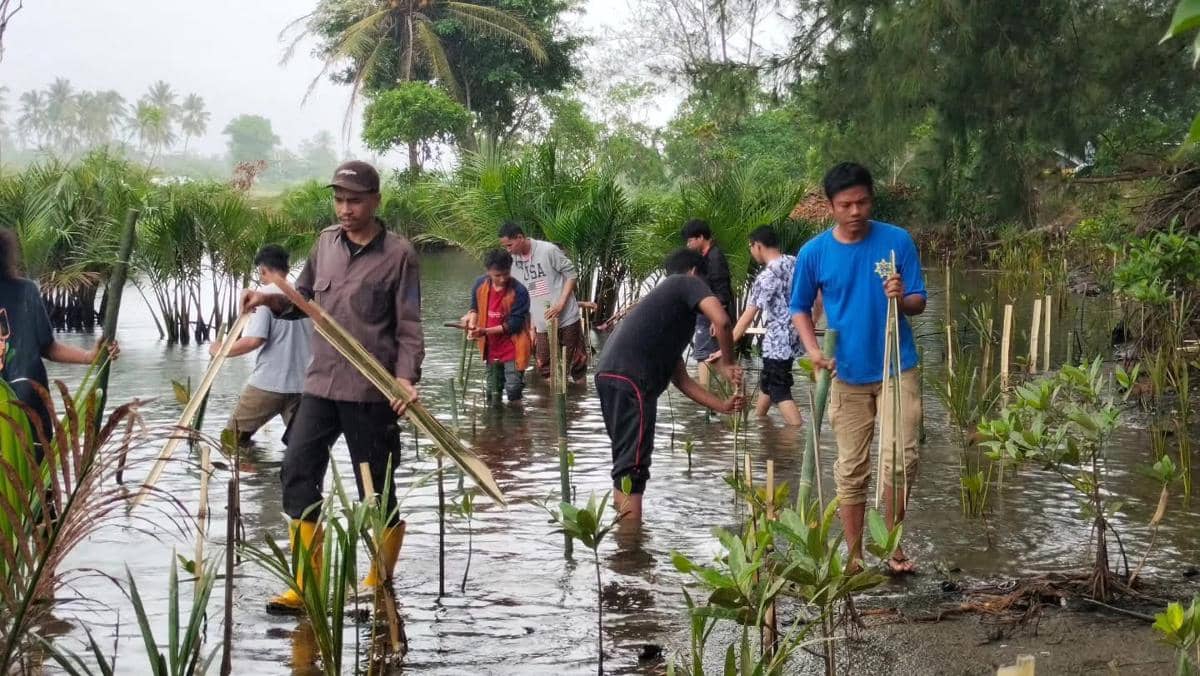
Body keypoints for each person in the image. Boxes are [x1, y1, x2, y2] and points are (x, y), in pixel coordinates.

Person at [241, 161, 423, 614]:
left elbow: (409, 325)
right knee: (296, 470)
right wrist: (268, 299)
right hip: (320, 382)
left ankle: (378, 582)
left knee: (376, 488)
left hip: (372, 389)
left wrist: (405, 379)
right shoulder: (325, 243)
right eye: (339, 200)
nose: (345, 209)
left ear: (375, 200)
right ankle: (306, 586)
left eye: (354, 201)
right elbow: (302, 301)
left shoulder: (399, 254)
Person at [789, 162, 926, 574]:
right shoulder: (814, 252)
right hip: (844, 371)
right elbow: (799, 308)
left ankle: (893, 548)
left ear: (872, 199)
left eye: (862, 202)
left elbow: (918, 302)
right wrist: (814, 350)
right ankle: (853, 557)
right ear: (830, 206)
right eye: (846, 204)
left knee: (900, 460)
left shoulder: (896, 241)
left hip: (896, 365)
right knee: (850, 467)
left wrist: (900, 296)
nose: (855, 211)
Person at [594, 248, 745, 525]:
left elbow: (682, 380)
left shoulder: (664, 314)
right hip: (631, 379)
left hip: (610, 375)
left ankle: (625, 534)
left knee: (626, 461)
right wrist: (728, 364)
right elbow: (723, 322)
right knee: (633, 468)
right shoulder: (686, 282)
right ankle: (630, 540)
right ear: (695, 272)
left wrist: (722, 406)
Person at [0, 228, 119, 454]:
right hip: (31, 414)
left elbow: (48, 347)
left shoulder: (26, 292)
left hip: (30, 416)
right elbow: (49, 348)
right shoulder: (26, 291)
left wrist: (91, 357)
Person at [211, 244, 312, 445]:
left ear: (263, 270)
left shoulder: (263, 296)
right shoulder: (303, 296)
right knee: (302, 447)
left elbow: (255, 340)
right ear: (287, 268)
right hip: (303, 386)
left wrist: (221, 350)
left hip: (268, 384)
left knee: (231, 441)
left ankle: (252, 465)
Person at [727, 226, 806, 426]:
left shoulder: (766, 276)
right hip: (795, 334)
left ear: (758, 246)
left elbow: (748, 315)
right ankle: (759, 422)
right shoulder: (794, 262)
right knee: (768, 382)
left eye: (751, 247)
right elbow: (817, 296)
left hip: (778, 341)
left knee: (779, 390)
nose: (751, 252)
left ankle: (797, 431)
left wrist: (726, 345)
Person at [497, 222, 586, 382]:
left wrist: (560, 304)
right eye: (505, 247)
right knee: (544, 364)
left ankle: (576, 394)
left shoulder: (548, 250)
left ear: (520, 237)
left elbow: (571, 275)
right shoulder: (512, 262)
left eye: (510, 245)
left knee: (574, 362)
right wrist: (531, 326)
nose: (508, 250)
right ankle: (555, 394)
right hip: (541, 322)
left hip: (566, 316)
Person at [463, 249, 532, 403]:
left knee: (513, 388)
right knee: (492, 389)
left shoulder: (519, 291)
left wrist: (484, 331)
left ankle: (516, 414)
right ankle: (495, 417)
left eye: (506, 274)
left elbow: (514, 325)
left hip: (513, 346)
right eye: (497, 275)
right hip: (491, 346)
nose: (502, 279)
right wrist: (473, 326)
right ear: (488, 271)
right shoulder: (479, 285)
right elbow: (474, 309)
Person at [681, 219, 733, 382]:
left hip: (710, 315)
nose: (688, 244)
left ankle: (705, 393)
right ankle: (736, 390)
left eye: (690, 240)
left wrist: (716, 319)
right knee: (715, 357)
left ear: (701, 237)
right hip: (706, 314)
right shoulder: (702, 257)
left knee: (704, 355)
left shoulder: (714, 257)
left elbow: (722, 290)